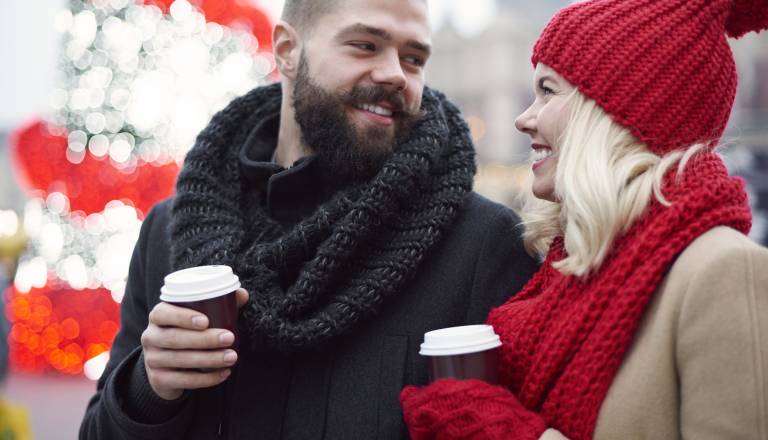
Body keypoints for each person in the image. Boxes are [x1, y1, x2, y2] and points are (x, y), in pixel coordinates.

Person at [79, 0, 539, 438]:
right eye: (365, 45)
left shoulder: (481, 245)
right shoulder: (169, 233)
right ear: (287, 50)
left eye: (414, 58)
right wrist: (149, 385)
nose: (395, 73)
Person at [400, 0, 768, 439]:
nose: (524, 118)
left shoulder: (724, 271)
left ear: (620, 111)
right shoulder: (571, 266)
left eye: (549, 91)